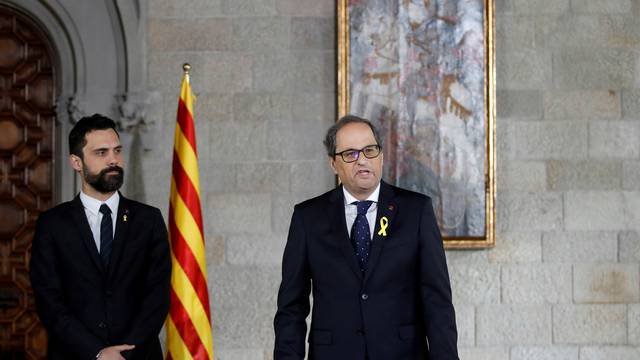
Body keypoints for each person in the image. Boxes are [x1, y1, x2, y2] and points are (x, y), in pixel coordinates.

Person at [274, 115, 458, 359]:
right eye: (350, 154)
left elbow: (438, 302)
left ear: (381, 155)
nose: (362, 161)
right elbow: (291, 307)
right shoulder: (308, 218)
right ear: (333, 163)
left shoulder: (417, 211)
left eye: (370, 150)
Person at [30, 114, 171, 360]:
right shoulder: (52, 225)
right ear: (76, 162)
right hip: (75, 355)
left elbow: (157, 296)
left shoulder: (149, 220)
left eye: (117, 150)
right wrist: (97, 352)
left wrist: (124, 352)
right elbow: (49, 301)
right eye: (101, 153)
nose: (114, 160)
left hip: (137, 356)